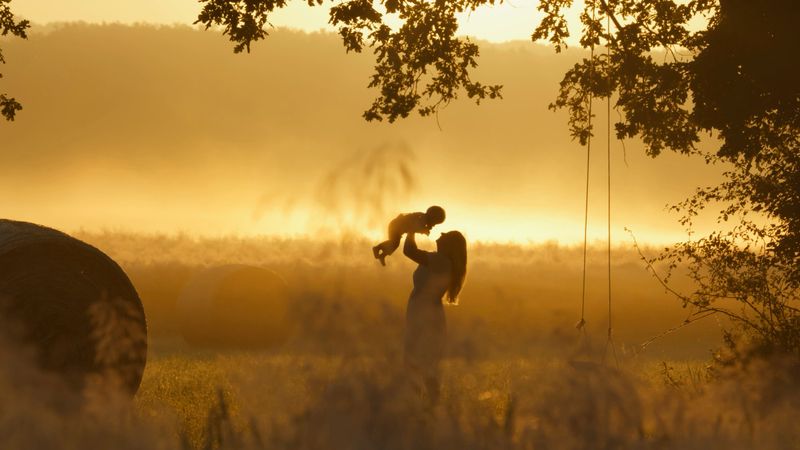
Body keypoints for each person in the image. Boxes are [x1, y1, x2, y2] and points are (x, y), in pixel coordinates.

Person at [401, 229, 467, 402]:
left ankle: (426, 406)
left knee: (420, 364)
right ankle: (427, 406)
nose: (442, 233)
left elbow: (409, 251)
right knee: (424, 365)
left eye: (446, 234)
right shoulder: (440, 260)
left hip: (425, 316)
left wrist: (411, 230)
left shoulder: (440, 261)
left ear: (450, 245)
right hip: (424, 314)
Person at [372, 206, 446, 266]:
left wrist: (424, 229)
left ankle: (383, 255)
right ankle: (377, 248)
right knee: (394, 243)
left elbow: (415, 227)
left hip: (396, 227)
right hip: (395, 226)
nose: (434, 225)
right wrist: (424, 231)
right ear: (432, 217)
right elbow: (415, 227)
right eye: (435, 222)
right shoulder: (423, 219)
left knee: (394, 244)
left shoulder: (423, 218)